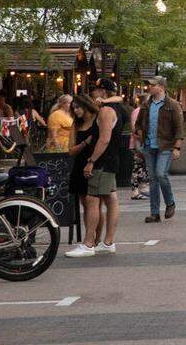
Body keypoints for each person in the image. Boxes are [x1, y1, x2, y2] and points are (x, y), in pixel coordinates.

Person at [64, 84, 121, 258]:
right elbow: (71, 149)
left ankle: (90, 243)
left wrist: (91, 161)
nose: (93, 94)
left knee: (93, 200)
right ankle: (106, 242)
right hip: (100, 162)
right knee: (108, 199)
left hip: (101, 163)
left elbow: (104, 140)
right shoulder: (103, 113)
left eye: (95, 90)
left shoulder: (104, 112)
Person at [132, 77, 184, 223]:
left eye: (152, 85)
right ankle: (154, 213)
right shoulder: (146, 105)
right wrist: (140, 132)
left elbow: (179, 129)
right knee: (153, 179)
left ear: (161, 87)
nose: (149, 87)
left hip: (165, 146)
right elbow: (137, 124)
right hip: (149, 146)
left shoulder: (172, 105)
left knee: (161, 174)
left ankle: (170, 202)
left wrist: (177, 147)